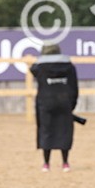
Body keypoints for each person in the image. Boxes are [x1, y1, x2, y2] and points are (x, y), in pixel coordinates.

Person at [30, 43, 79, 172]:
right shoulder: (69, 66)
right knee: (65, 131)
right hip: (65, 102)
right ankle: (65, 163)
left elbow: (32, 69)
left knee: (46, 131)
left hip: (45, 102)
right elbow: (74, 87)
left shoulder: (39, 67)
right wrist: (72, 104)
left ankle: (46, 163)